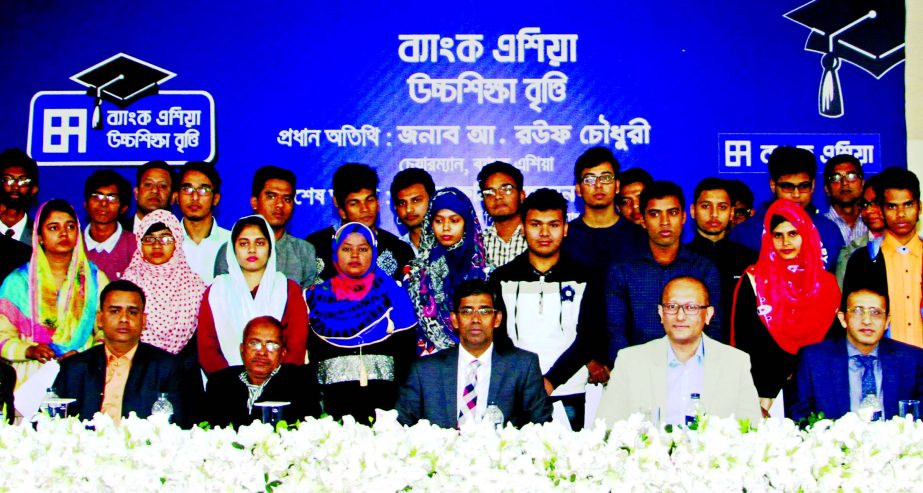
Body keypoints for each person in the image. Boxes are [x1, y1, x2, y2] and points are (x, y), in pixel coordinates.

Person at [491, 188, 608, 430]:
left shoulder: (586, 277)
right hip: (517, 395)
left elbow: (588, 338)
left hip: (571, 393)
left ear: (565, 228)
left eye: (553, 225)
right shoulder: (501, 278)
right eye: (535, 224)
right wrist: (528, 383)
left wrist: (551, 381)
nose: (544, 233)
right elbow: (499, 338)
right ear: (522, 228)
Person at [597, 276, 761, 426]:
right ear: (661, 313)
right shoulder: (631, 361)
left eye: (691, 307)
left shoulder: (735, 362)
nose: (680, 316)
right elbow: (606, 426)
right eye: (672, 306)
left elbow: (751, 428)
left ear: (708, 314)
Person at [731, 200, 840, 414]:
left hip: (815, 390)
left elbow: (832, 343)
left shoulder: (826, 284)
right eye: (778, 235)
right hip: (764, 392)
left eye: (793, 234)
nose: (785, 242)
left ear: (806, 235)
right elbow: (745, 341)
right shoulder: (754, 280)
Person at [396, 279, 553, 428]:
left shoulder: (523, 366)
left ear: (497, 319)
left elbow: (542, 427)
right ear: (454, 320)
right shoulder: (424, 371)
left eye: (484, 311)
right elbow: (400, 427)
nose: (476, 319)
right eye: (467, 311)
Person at [306, 222, 418, 422]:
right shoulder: (314, 299)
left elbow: (408, 362)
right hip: (328, 417)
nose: (355, 255)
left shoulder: (396, 297)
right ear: (335, 253)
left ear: (374, 251)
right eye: (347, 249)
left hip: (389, 413)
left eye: (363, 249)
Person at [605, 181, 722, 365]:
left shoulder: (703, 268)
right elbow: (616, 331)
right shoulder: (622, 269)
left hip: (694, 371)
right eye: (655, 214)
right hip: (638, 372)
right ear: (643, 220)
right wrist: (627, 372)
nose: (665, 222)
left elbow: (714, 327)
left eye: (672, 213)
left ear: (684, 217)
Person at [0, 200, 108, 390]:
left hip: (82, 374)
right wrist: (29, 350)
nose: (63, 233)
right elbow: (2, 335)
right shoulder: (17, 282)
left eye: (70, 226)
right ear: (40, 236)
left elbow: (108, 331)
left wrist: (87, 356)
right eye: (53, 227)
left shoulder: (95, 279)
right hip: (28, 378)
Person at [53, 280, 185, 424]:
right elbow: (50, 424)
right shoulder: (75, 368)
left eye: (132, 312)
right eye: (115, 311)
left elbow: (181, 426)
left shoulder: (167, 368)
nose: (124, 319)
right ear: (100, 319)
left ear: (144, 320)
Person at [788, 286, 923, 421]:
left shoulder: (912, 360)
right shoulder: (814, 360)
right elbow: (799, 418)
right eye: (857, 311)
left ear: (887, 321)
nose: (867, 320)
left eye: (875, 312)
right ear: (843, 319)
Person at [199, 215, 308, 375]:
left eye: (260, 243)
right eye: (243, 243)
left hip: (279, 388)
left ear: (270, 248)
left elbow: (296, 347)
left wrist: (270, 385)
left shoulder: (288, 290)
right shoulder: (216, 291)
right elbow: (207, 349)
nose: (252, 249)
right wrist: (233, 385)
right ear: (232, 248)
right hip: (226, 388)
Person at [729, 146, 844, 273]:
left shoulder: (828, 231)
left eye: (803, 186)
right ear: (773, 185)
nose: (796, 194)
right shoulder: (745, 233)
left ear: (813, 185)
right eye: (788, 187)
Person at [843, 167, 923, 348]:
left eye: (908, 205)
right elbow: (852, 322)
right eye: (892, 206)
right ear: (881, 210)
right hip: (882, 368)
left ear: (919, 207)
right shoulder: (863, 260)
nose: (901, 214)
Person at [405, 187, 488, 355]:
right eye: (439, 221)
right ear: (430, 223)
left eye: (454, 220)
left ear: (467, 223)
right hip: (430, 364)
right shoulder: (415, 272)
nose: (446, 228)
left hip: (478, 358)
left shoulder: (484, 270)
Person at [203, 316, 321, 429]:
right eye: (254, 343)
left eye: (272, 345)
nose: (262, 352)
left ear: (282, 353)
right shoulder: (219, 384)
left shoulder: (300, 383)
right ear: (242, 349)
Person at [306, 163, 414, 283]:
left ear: (378, 202)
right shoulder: (314, 247)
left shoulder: (400, 250)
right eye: (354, 203)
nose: (365, 209)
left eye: (370, 200)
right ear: (340, 207)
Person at [214, 166, 317, 289]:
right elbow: (220, 299)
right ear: (254, 202)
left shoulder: (304, 251)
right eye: (271, 197)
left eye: (287, 199)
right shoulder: (230, 251)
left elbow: (309, 303)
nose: (279, 204)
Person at [685, 178, 758, 342]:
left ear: (732, 213)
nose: (714, 214)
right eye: (706, 206)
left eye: (722, 207)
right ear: (692, 211)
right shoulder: (679, 259)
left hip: (741, 353)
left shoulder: (751, 260)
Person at [561, 147, 646, 270]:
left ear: (617, 186)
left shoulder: (639, 236)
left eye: (606, 178)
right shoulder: (566, 236)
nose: (598, 185)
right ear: (578, 189)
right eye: (589, 179)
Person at [176, 161, 230, 284]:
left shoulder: (231, 242)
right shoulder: (165, 242)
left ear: (216, 198)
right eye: (187, 189)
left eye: (204, 190)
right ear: (177, 197)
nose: (194, 197)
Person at [82, 170, 136, 280]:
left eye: (112, 198)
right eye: (97, 196)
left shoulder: (135, 246)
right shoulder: (73, 244)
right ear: (86, 204)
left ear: (124, 208)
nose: (103, 203)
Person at [835, 175, 885, 287]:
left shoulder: (913, 247)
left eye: (876, 203)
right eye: (865, 205)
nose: (869, 210)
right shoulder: (851, 253)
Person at [477, 161, 528, 271]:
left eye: (506, 189)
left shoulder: (535, 238)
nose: (498, 196)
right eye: (489, 192)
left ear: (522, 196)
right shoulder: (478, 244)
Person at [823, 154, 867, 245]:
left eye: (851, 176)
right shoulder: (817, 226)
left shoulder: (874, 221)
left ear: (862, 184)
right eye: (836, 178)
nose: (844, 183)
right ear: (827, 189)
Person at [390, 168, 435, 256]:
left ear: (432, 200)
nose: (408, 209)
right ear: (395, 207)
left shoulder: (451, 246)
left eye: (416, 200)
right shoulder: (394, 253)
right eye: (402, 203)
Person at [0, 148, 39, 245]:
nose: (15, 186)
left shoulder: (41, 237)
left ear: (34, 190)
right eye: (7, 179)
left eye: (23, 181)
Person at [132, 160, 174, 232]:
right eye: (148, 185)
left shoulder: (180, 234)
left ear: (173, 198)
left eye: (162, 186)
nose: (155, 190)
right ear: (136, 193)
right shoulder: (117, 231)